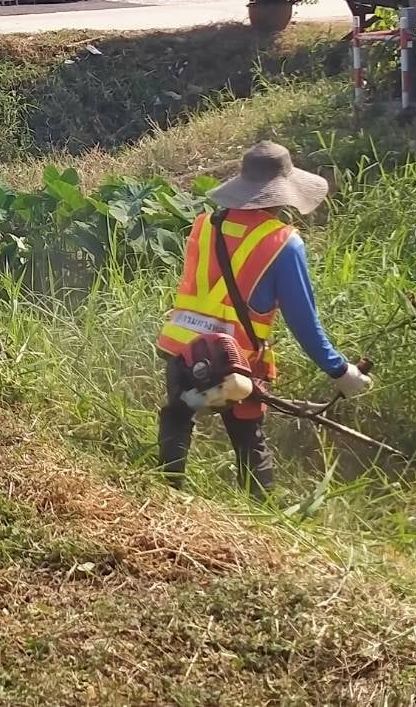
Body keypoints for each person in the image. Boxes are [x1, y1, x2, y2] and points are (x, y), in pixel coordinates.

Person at [157, 141, 372, 498]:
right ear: (283, 192)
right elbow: (304, 323)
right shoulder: (283, 243)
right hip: (236, 363)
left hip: (184, 350)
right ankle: (261, 514)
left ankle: (164, 495)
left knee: (178, 417)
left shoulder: (204, 225)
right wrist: (340, 370)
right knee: (248, 439)